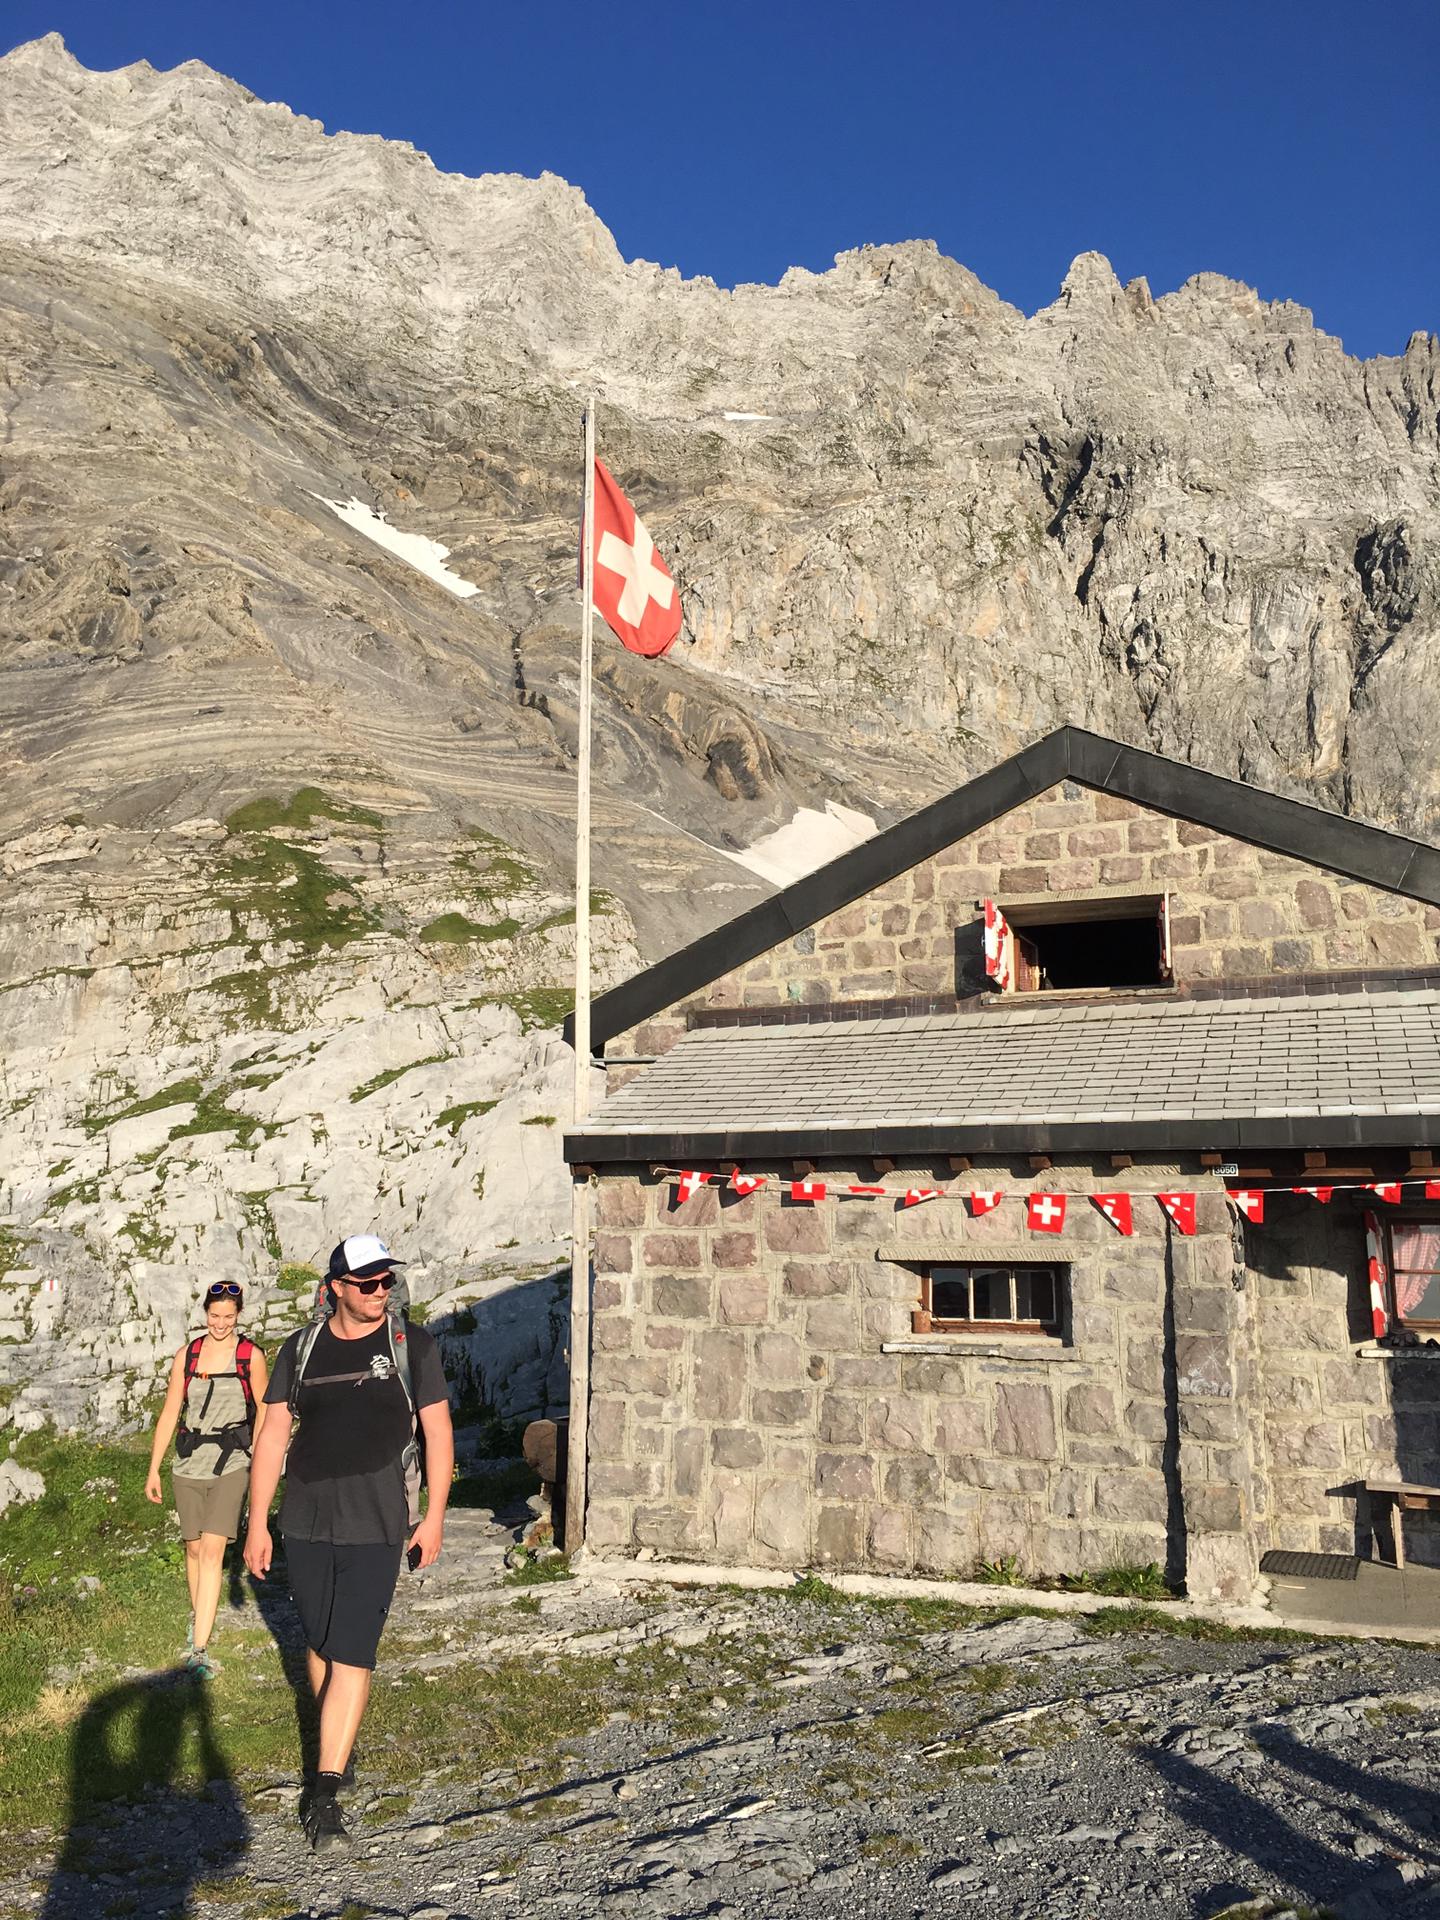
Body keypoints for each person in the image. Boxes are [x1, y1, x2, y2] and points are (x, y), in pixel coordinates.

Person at [244, 1234, 452, 1855]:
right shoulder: (300, 1348)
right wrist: (257, 1523)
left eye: (387, 1281)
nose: (381, 1291)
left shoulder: (413, 1345)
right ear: (336, 1287)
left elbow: (438, 1432)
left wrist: (434, 1516)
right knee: (321, 1642)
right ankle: (341, 1739)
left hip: (378, 1522)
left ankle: (326, 1792)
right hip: (305, 1519)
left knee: (354, 1653)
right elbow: (273, 1435)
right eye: (367, 1283)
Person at [146, 1281, 268, 1675]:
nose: (220, 1323)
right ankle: (199, 1618)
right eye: (215, 1315)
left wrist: (260, 1457)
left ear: (239, 1315)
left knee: (213, 1551)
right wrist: (153, 1468)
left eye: (228, 1316)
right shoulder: (188, 1355)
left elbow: (265, 1409)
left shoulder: (251, 1357)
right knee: (194, 1550)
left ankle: (198, 1648)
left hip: (233, 1462)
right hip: (188, 1463)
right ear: (205, 1314)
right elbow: (170, 1411)